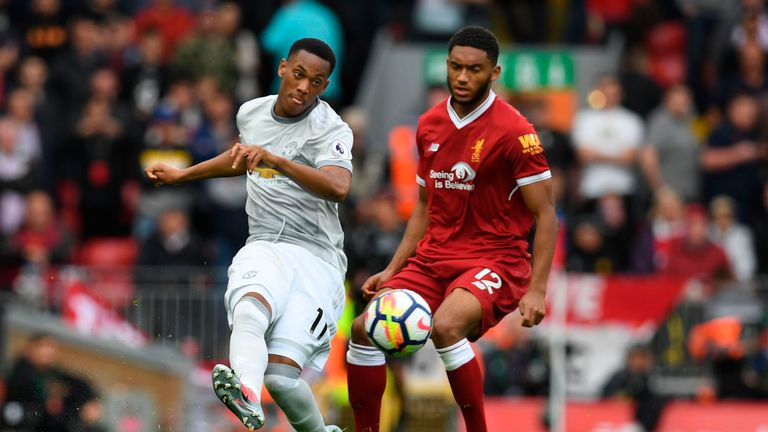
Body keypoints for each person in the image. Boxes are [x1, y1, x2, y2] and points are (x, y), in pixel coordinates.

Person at [345, 26, 558, 432]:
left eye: (474, 70)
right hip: (434, 257)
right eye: (456, 67)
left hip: (496, 259)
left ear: (494, 73)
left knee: (445, 327)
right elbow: (424, 206)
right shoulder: (428, 125)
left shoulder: (516, 132)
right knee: (362, 329)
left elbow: (546, 215)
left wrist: (537, 289)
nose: (462, 77)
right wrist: (393, 269)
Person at [143, 38, 349, 432]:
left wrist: (279, 161)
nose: (304, 87)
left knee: (283, 380)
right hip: (266, 243)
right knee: (249, 309)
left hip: (317, 257)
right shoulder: (251, 114)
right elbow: (240, 158)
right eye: (299, 75)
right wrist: (185, 174)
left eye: (316, 81)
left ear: (325, 87)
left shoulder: (331, 129)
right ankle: (247, 397)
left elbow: (338, 187)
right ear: (283, 68)